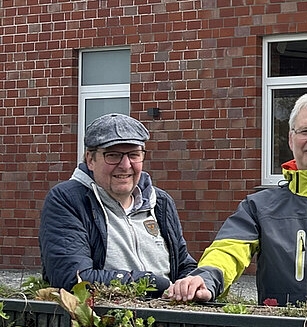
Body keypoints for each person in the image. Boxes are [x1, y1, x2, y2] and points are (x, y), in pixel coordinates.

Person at [165, 93, 307, 304]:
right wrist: (205, 279)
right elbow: (228, 250)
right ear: (291, 139)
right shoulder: (259, 206)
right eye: (305, 131)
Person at [39, 113, 197, 295]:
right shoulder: (68, 201)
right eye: (113, 155)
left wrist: (192, 283)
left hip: (170, 317)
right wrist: (155, 284)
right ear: (90, 159)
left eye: (134, 155)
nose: (125, 165)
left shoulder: (160, 202)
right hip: (102, 319)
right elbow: (74, 279)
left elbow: (184, 263)